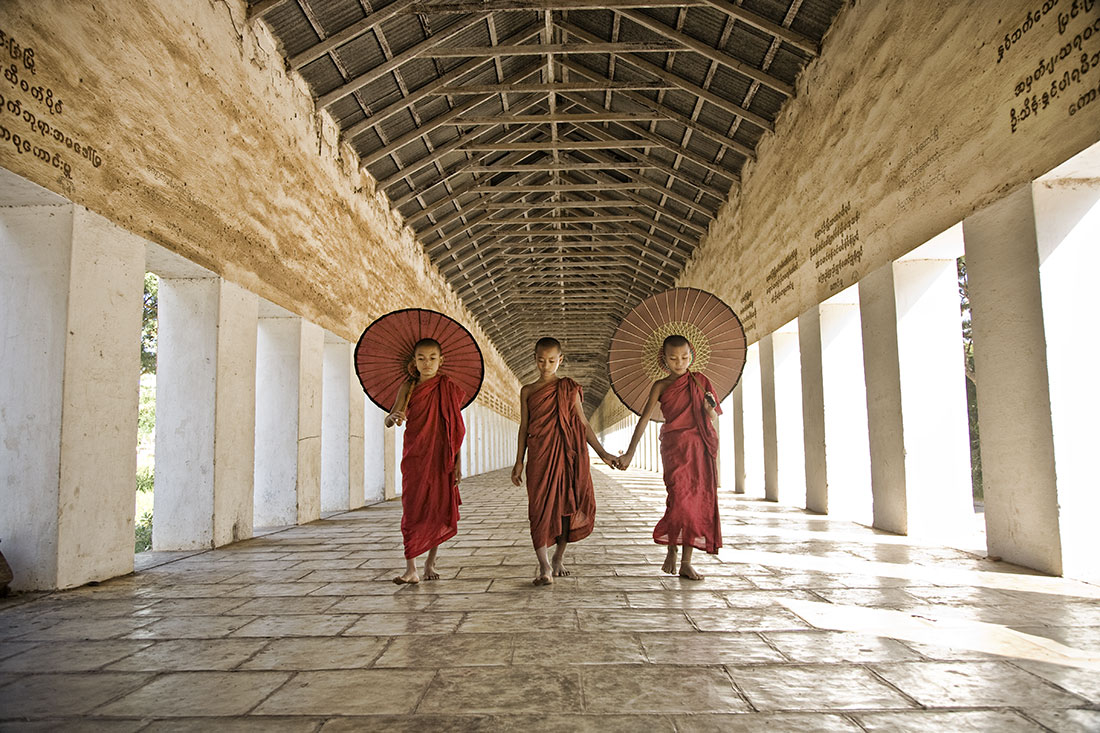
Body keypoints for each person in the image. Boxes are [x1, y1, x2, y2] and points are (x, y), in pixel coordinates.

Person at [614, 334, 721, 580]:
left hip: (699, 449)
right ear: (664, 359)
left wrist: (709, 408)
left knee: (695, 503)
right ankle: (672, 547)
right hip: (675, 448)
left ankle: (686, 561)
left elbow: (713, 417)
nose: (679, 362)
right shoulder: (660, 386)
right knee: (679, 499)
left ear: (691, 355)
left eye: (684, 357)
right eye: (673, 358)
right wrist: (630, 452)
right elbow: (644, 419)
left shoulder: (702, 382)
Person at [511, 337, 615, 585]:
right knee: (538, 509)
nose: (545, 365)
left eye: (551, 360)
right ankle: (543, 565)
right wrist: (519, 461)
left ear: (560, 359)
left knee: (567, 505)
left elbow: (582, 422)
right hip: (539, 455)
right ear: (534, 359)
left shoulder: (569, 387)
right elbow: (524, 427)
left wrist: (603, 453)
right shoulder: (528, 391)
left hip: (566, 456)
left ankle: (557, 557)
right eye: (540, 360)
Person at [385, 338, 466, 584]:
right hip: (416, 455)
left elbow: (456, 428)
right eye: (421, 358)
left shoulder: (447, 388)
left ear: (441, 361)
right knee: (411, 508)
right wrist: (394, 416)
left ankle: (430, 563)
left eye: (432, 358)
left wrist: (458, 463)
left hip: (442, 458)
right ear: (414, 361)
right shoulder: (407, 387)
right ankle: (411, 568)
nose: (427, 363)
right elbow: (390, 420)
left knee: (437, 507)